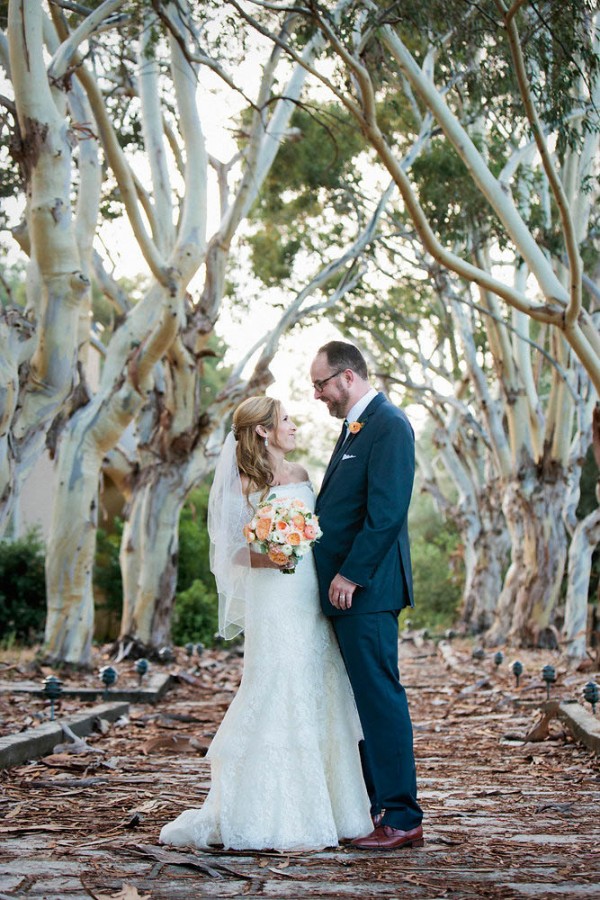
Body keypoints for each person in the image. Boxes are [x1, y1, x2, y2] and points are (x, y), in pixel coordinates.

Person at [159, 396, 372, 852]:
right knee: (278, 685)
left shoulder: (301, 476)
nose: (294, 426)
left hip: (309, 599)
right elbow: (231, 552)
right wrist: (279, 552)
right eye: (287, 420)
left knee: (319, 685)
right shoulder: (241, 483)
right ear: (262, 430)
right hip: (274, 601)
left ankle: (334, 810)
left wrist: (301, 546)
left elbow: (320, 532)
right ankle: (271, 812)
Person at [310, 341, 424, 850]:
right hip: (346, 595)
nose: (317, 395)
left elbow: (387, 511)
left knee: (380, 702)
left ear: (348, 376)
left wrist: (351, 575)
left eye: (321, 384)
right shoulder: (355, 426)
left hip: (368, 593)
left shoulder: (390, 424)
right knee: (361, 705)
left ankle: (402, 817)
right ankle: (376, 808)